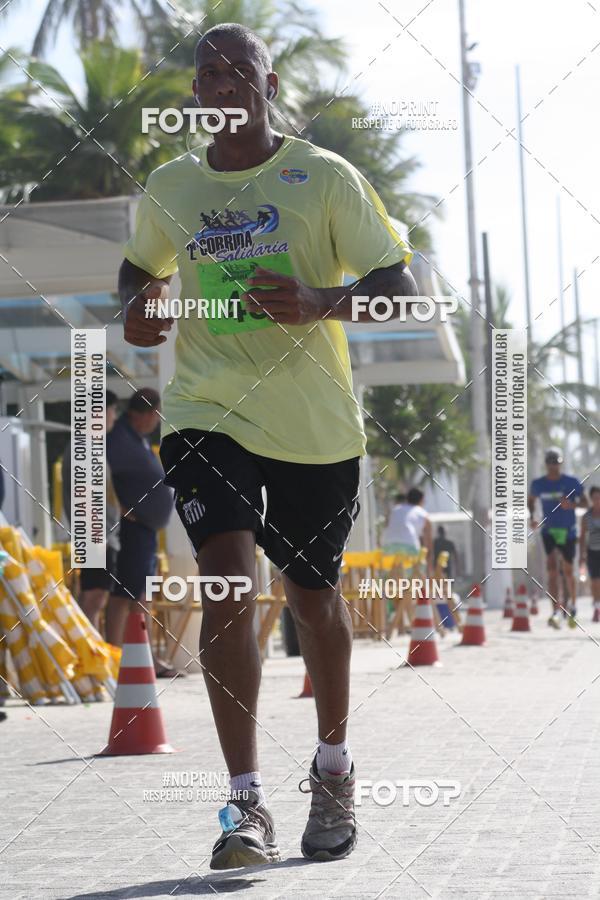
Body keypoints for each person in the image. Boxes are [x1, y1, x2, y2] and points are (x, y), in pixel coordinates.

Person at [118, 23, 417, 869]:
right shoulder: (172, 187)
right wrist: (143, 305)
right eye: (206, 71)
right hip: (206, 409)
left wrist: (320, 301)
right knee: (225, 580)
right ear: (195, 94)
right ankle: (243, 806)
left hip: (314, 426)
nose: (220, 81)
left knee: (315, 603)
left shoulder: (324, 178)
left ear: (268, 82)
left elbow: (400, 287)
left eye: (236, 69)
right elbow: (139, 274)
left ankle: (332, 770)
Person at [105, 388, 177, 675]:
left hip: (145, 531)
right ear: (148, 414)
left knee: (141, 596)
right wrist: (121, 510)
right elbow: (102, 477)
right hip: (131, 531)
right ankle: (114, 657)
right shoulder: (118, 437)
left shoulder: (136, 439)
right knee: (124, 595)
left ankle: (142, 658)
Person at [62, 390, 120, 630]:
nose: (114, 418)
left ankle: (91, 658)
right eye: (112, 411)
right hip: (95, 534)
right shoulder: (84, 447)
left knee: (96, 597)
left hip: (98, 533)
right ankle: (84, 659)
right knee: (94, 597)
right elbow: (83, 493)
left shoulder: (89, 444)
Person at [528, 448, 587, 629]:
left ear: (560, 463)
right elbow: (530, 501)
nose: (553, 466)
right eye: (550, 462)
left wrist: (572, 504)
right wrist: (533, 517)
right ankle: (555, 610)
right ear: (546, 464)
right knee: (552, 569)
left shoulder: (571, 482)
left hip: (568, 531)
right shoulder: (538, 484)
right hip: (549, 530)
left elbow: (585, 502)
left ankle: (573, 606)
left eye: (556, 462)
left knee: (568, 571)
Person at [579, 486, 600, 622]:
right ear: (591, 499)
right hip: (592, 552)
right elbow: (582, 536)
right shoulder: (586, 516)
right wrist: (582, 555)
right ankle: (597, 607)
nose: (597, 500)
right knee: (595, 582)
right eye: (595, 498)